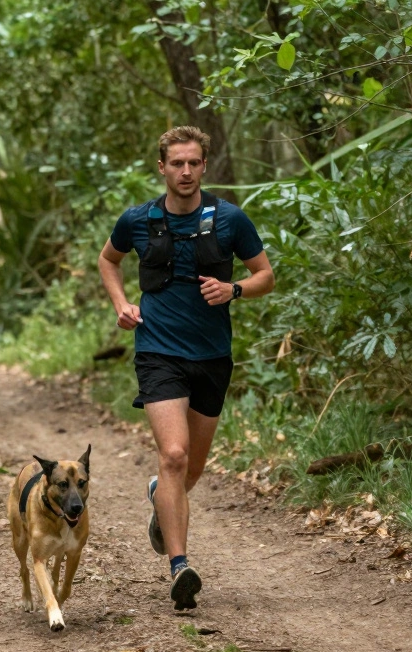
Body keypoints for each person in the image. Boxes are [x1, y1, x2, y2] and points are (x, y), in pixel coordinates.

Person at [97, 126, 275, 610]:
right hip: (158, 351)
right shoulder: (138, 219)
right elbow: (108, 261)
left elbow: (265, 276)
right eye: (177, 163)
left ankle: (162, 497)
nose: (186, 171)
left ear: (204, 166)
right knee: (173, 454)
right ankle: (180, 567)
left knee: (191, 468)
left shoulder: (230, 219)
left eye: (194, 162)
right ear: (162, 167)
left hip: (212, 356)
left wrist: (233, 289)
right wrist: (121, 304)